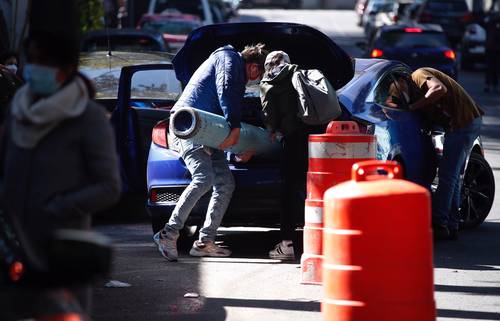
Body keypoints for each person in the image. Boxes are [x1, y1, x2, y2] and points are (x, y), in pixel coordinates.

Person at [0, 30, 121, 313]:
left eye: (42, 62)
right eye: (30, 60)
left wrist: (57, 207)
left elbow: (108, 186)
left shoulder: (88, 117)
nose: (32, 68)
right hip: (13, 250)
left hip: (62, 251)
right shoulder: (18, 110)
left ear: (65, 70)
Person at [156, 43, 268, 261]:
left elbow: (222, 120)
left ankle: (205, 242)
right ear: (254, 68)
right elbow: (225, 89)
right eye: (260, 74)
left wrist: (235, 152)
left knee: (225, 183)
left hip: (207, 130)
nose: (257, 78)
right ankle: (167, 233)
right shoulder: (229, 58)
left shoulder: (231, 65)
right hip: (189, 125)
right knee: (204, 178)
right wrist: (235, 128)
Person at [260, 51, 328, 260]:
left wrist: (272, 128)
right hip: (317, 140)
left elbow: (268, 115)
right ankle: (324, 240)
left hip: (293, 141)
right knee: (316, 190)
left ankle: (287, 244)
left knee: (289, 191)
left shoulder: (270, 81)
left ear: (268, 65)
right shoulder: (304, 74)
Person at [408, 67, 484, 240]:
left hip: (463, 123)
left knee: (447, 176)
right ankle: (451, 223)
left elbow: (439, 89)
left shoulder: (418, 75)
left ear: (403, 82)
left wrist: (413, 106)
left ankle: (440, 223)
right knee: (453, 176)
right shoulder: (415, 85)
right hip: (468, 121)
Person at [483, 12, 500, 93]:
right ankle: (489, 84)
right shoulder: (490, 25)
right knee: (490, 68)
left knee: (494, 68)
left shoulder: (491, 26)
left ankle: (493, 84)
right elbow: (481, 22)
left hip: (495, 49)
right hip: (490, 49)